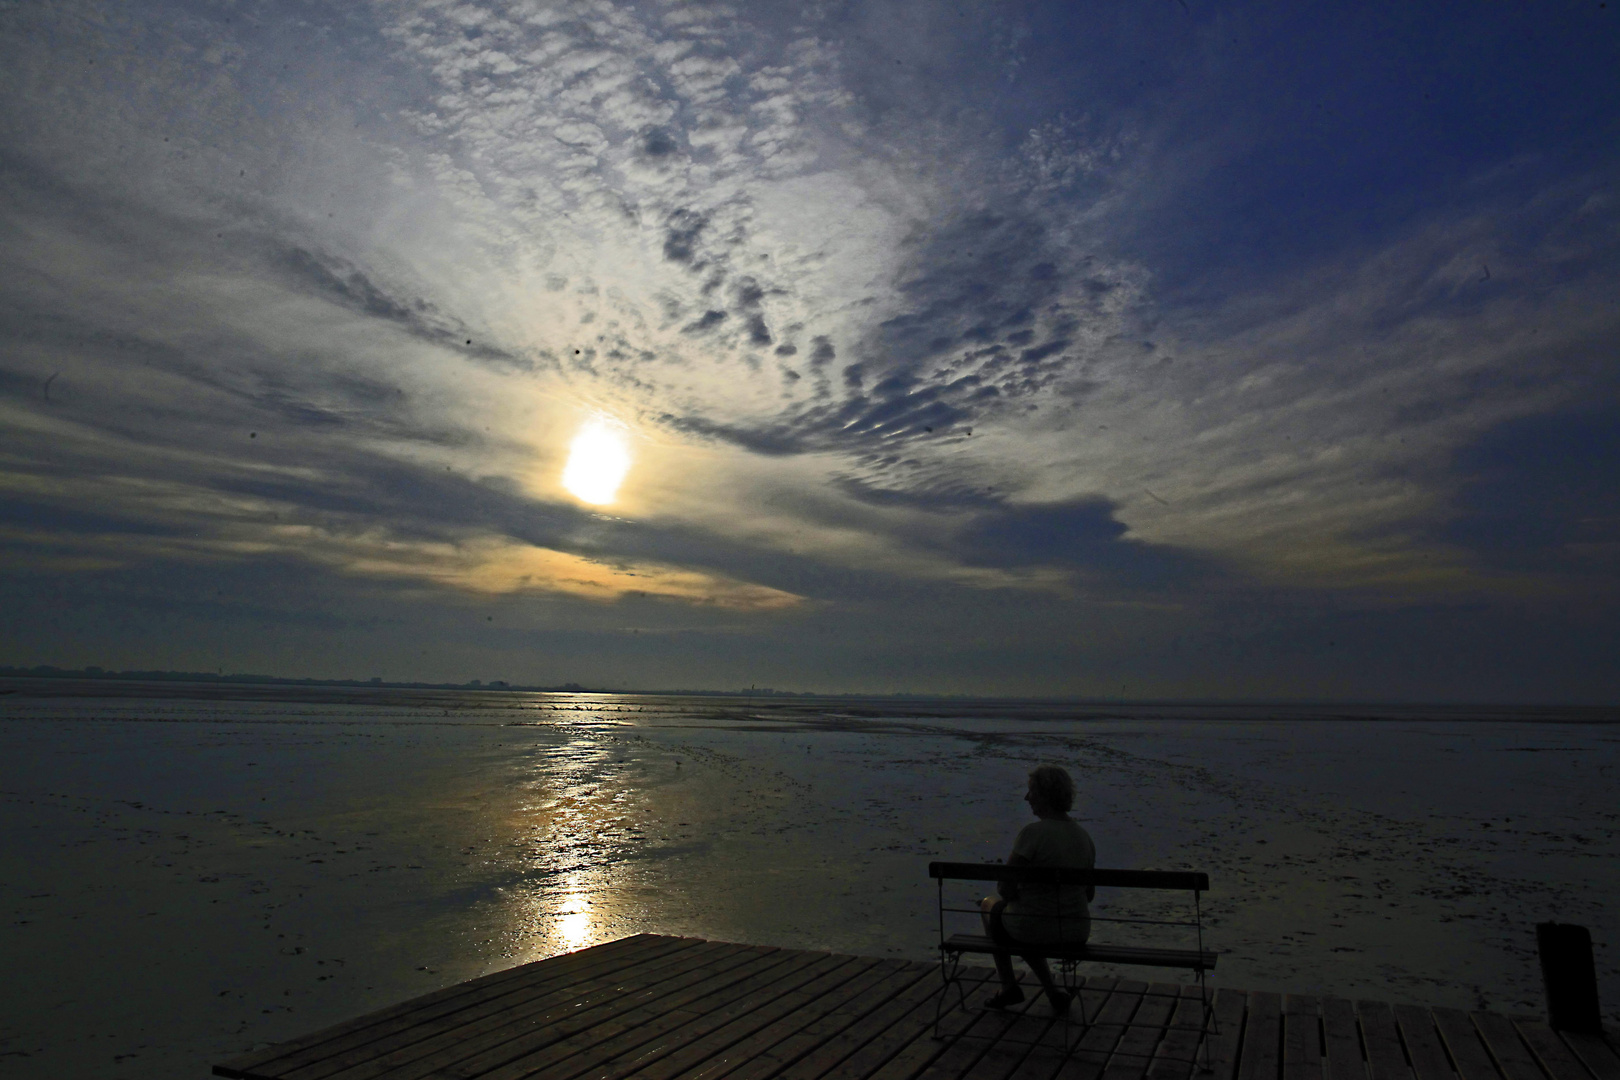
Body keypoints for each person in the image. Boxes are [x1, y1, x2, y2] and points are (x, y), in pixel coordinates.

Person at [979, 764, 1095, 1012]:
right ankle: (1054, 991)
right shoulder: (1084, 837)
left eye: (1031, 791)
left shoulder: (1033, 834)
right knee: (1027, 919)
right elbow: (1089, 894)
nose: (1026, 797)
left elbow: (1004, 888)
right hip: (1076, 931)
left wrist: (1019, 894)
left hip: (1035, 927)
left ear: (1044, 795)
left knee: (991, 907)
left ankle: (1009, 986)